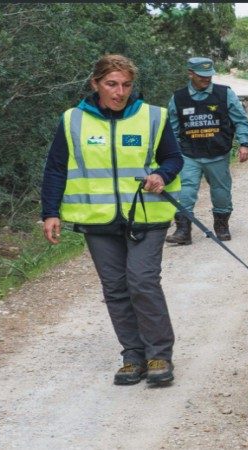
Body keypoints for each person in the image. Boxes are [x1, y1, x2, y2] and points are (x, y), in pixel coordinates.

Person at [41, 54, 183, 385]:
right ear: (95, 84)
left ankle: (159, 355)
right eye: (112, 84)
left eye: (126, 85)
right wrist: (50, 212)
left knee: (142, 281)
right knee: (116, 288)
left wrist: (162, 174)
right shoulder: (72, 120)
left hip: (147, 216)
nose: (120, 92)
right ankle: (133, 357)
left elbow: (173, 158)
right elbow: (56, 168)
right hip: (98, 220)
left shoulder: (153, 117)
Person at [165, 57, 248, 245]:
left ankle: (221, 226)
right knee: (185, 191)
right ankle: (183, 230)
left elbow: (241, 120)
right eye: (202, 76)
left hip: (218, 153)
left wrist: (244, 143)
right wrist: (170, 153)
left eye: (209, 75)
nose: (207, 79)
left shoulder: (225, 94)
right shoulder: (178, 98)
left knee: (221, 192)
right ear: (190, 73)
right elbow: (171, 129)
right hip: (189, 153)